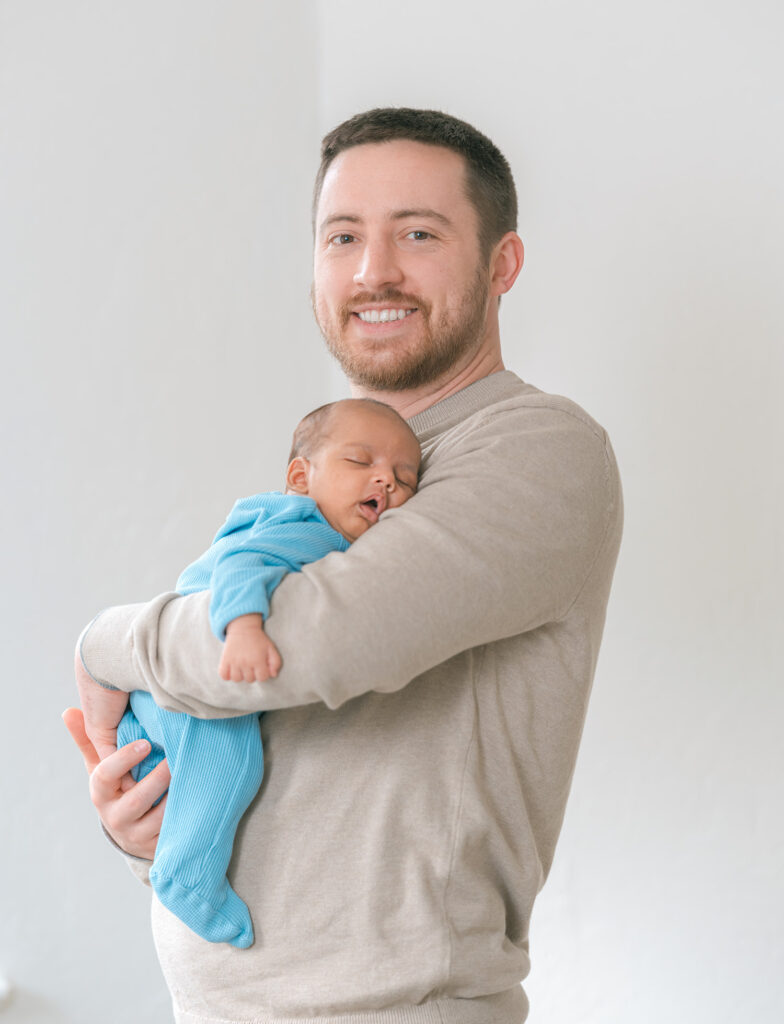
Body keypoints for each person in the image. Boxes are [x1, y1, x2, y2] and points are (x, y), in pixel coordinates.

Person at [65, 107, 623, 1024]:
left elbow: (306, 643)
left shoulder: (535, 449)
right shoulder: (346, 478)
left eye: (418, 233)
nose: (374, 271)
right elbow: (258, 723)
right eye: (343, 236)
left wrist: (104, 642)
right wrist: (154, 824)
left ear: (502, 265)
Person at [113, 397, 421, 950]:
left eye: (405, 476)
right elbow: (240, 566)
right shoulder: (309, 529)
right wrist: (245, 629)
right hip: (189, 683)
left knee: (170, 780)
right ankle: (187, 876)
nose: (388, 480)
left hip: (150, 692)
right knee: (233, 764)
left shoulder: (297, 522)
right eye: (361, 462)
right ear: (301, 478)